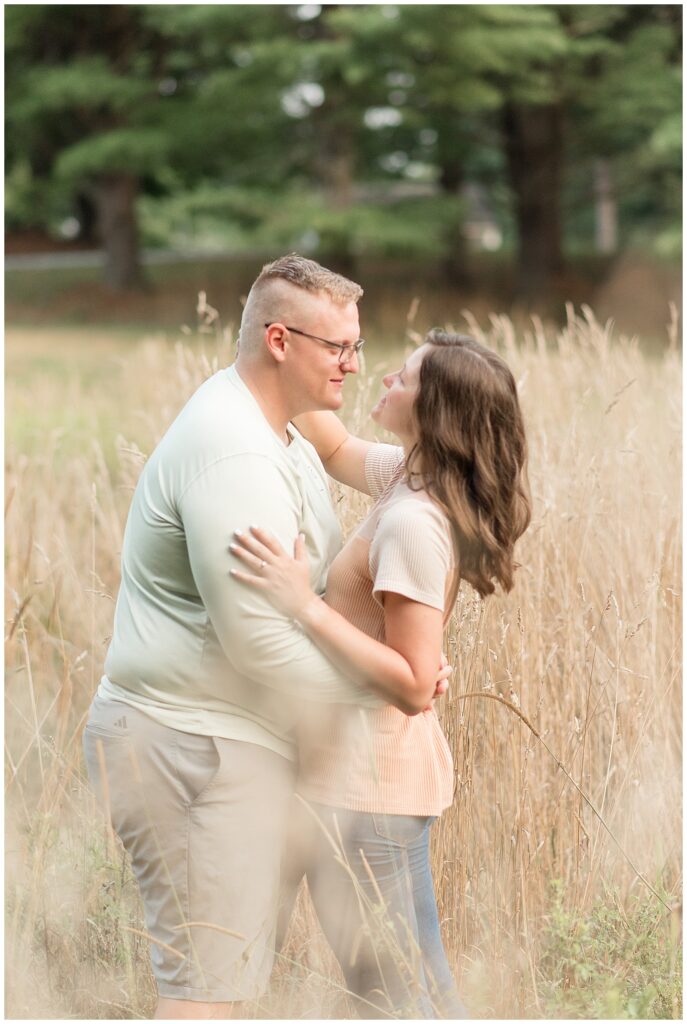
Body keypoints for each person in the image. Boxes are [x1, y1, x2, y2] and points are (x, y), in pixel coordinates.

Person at [82, 254, 450, 1020]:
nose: (355, 363)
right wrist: (386, 692)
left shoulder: (274, 422)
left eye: (357, 344)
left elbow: (366, 452)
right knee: (208, 996)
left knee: (233, 984)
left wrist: (400, 666)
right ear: (279, 341)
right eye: (338, 348)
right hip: (193, 748)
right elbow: (260, 648)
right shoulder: (237, 454)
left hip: (224, 744)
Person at [231, 329, 532, 1018]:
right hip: (353, 781)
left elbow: (410, 684)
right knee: (390, 992)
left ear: (436, 413)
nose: (383, 379)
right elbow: (333, 447)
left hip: (374, 795)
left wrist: (300, 604)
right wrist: (272, 357)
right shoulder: (406, 476)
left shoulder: (414, 525)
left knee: (404, 997)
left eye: (404, 377)